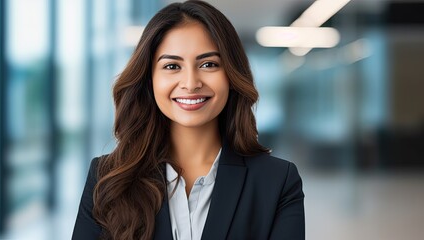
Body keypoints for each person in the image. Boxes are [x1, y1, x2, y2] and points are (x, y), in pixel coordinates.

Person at [72, 0, 304, 239]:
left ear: (232, 76)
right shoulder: (107, 178)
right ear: (149, 79)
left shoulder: (277, 182)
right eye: (172, 66)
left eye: (208, 64)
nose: (191, 83)